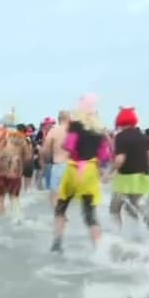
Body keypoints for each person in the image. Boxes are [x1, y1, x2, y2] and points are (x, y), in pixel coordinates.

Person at [51, 94, 111, 253]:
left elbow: (68, 146)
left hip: (74, 169)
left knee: (60, 208)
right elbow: (105, 156)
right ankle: (99, 250)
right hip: (90, 170)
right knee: (90, 213)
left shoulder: (76, 125)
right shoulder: (100, 131)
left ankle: (57, 243)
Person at [109, 107, 149, 234]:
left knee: (114, 209)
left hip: (126, 178)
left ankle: (117, 235)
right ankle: (147, 223)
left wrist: (108, 172)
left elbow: (120, 159)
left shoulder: (120, 137)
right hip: (143, 176)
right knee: (135, 205)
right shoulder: (143, 137)